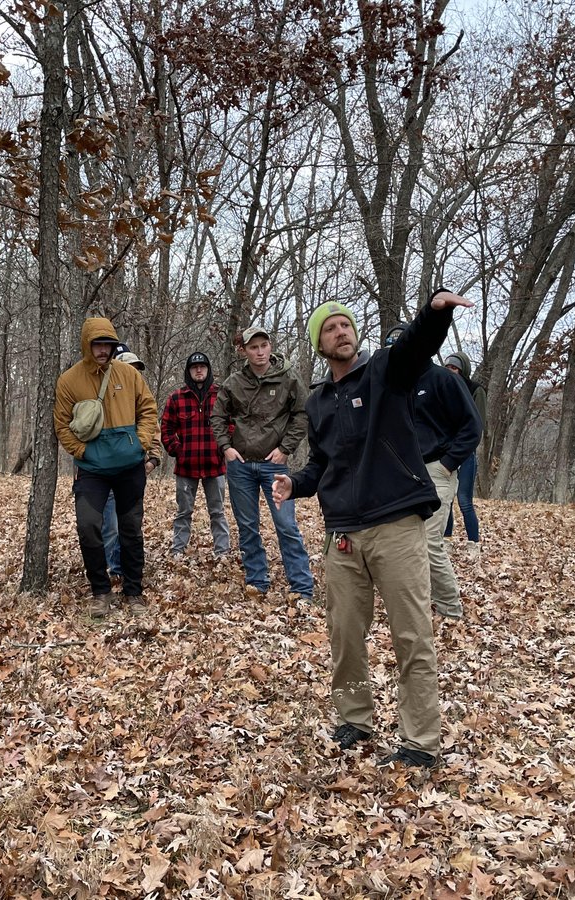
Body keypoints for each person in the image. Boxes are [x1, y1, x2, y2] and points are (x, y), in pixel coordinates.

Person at [274, 291, 474, 768]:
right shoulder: (319, 402)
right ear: (319, 343)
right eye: (330, 327)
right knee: (344, 635)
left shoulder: (386, 372)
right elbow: (324, 462)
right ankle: (355, 718)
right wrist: (296, 483)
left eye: (346, 324)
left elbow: (416, 347)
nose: (341, 331)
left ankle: (420, 743)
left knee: (412, 636)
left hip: (397, 526)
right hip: (343, 533)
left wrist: (435, 311)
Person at [54, 319, 160, 618]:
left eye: (107, 344)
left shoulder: (128, 374)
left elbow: (148, 409)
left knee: (131, 530)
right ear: (87, 345)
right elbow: (62, 425)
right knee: (88, 526)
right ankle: (100, 592)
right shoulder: (69, 380)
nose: (103, 350)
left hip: (130, 468)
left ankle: (133, 591)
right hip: (92, 470)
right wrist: (83, 451)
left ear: (114, 345)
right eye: (97, 344)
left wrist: (139, 444)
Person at [384, 324, 481, 619]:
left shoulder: (442, 379)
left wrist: (447, 463)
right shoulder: (390, 384)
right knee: (400, 540)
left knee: (428, 541)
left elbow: (473, 426)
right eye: (391, 346)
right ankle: (413, 601)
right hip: (401, 473)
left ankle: (451, 609)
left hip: (436, 469)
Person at [210, 325, 314, 601]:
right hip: (241, 466)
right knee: (247, 526)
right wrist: (226, 449)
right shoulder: (234, 383)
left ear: (270, 346)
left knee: (286, 524)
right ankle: (257, 581)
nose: (259, 352)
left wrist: (285, 448)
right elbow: (217, 417)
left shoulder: (288, 378)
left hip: (274, 466)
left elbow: (302, 414)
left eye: (263, 346)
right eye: (253, 347)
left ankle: (302, 587)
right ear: (244, 351)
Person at [161, 351, 230, 558]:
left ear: (208, 370)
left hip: (214, 465)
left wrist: (223, 448)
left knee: (217, 512)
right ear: (188, 371)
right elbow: (165, 428)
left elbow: (232, 423)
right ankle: (178, 551)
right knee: (183, 512)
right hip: (186, 467)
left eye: (202, 367)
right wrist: (177, 450)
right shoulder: (176, 398)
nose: (198, 370)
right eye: (194, 367)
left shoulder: (221, 395)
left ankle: (222, 552)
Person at [102, 350, 148, 581]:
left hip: (132, 469)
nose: (134, 372)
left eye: (137, 368)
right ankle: (113, 566)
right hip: (103, 471)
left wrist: (152, 457)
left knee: (130, 523)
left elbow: (152, 428)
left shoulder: (142, 398)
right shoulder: (103, 393)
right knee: (109, 523)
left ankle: (126, 568)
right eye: (130, 367)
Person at [443, 351, 487, 560]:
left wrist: (464, 446)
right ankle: (446, 540)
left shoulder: (475, 390)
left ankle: (473, 543)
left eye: (454, 368)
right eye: (448, 367)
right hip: (445, 452)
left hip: (465, 453)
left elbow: (477, 425)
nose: (450, 371)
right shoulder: (443, 390)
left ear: (462, 370)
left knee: (464, 501)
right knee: (446, 499)